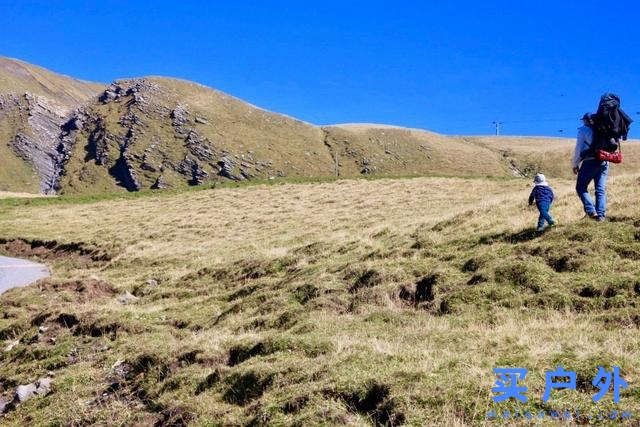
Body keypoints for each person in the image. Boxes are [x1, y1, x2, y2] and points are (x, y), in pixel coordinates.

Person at [572, 113, 608, 221]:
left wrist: (575, 164)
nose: (583, 122)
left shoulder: (584, 130)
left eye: (583, 120)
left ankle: (591, 212)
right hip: (605, 161)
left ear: (586, 120)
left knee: (581, 187)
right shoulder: (604, 128)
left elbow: (579, 148)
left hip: (590, 161)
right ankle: (601, 216)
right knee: (600, 189)